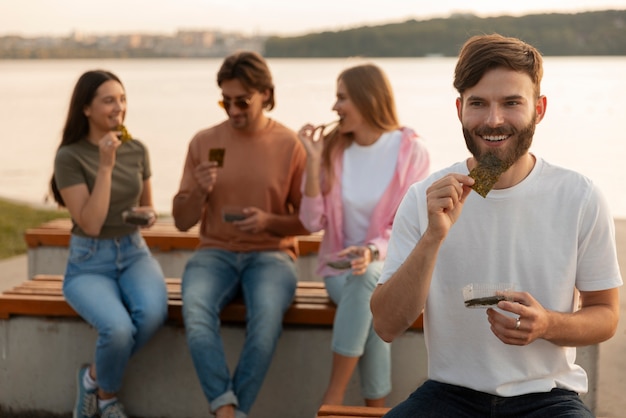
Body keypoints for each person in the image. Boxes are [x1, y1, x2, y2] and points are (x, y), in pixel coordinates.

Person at [370, 33, 623, 417]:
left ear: (539, 108)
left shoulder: (578, 195)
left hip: (547, 397)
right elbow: (387, 326)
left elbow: (605, 315)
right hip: (448, 395)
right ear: (459, 109)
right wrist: (434, 236)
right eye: (478, 104)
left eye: (511, 103)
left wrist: (547, 324)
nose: (493, 120)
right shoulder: (425, 197)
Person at [172, 50, 309, 418]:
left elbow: (310, 220)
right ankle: (227, 409)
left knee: (265, 321)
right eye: (225, 101)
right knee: (196, 311)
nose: (232, 110)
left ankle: (231, 412)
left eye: (242, 101)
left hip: (272, 256)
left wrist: (268, 222)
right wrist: (198, 191)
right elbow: (182, 221)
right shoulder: (204, 142)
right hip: (214, 253)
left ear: (265, 93)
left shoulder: (290, 144)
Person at [297, 63, 430, 408]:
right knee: (366, 283)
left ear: (367, 98)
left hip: (387, 269)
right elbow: (312, 222)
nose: (334, 107)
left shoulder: (411, 151)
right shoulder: (331, 150)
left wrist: (371, 250)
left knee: (370, 280)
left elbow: (408, 226)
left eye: (341, 98)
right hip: (339, 273)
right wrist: (312, 164)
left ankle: (334, 399)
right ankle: (366, 407)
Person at [50, 70, 168, 418]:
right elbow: (90, 222)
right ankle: (107, 399)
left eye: (122, 99)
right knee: (117, 329)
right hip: (89, 261)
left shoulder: (137, 149)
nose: (119, 108)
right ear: (85, 108)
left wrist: (147, 216)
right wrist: (105, 167)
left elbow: (149, 206)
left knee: (152, 315)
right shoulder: (69, 157)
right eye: (109, 100)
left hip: (133, 252)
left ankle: (92, 379)